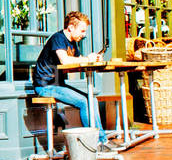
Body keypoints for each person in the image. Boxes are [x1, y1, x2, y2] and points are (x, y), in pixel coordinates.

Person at [32, 10, 112, 150]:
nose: (84, 34)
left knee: (91, 100)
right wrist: (88, 59)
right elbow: (65, 61)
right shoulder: (58, 38)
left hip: (57, 84)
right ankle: (98, 143)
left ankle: (102, 141)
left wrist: (92, 59)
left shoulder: (73, 43)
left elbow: (76, 63)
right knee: (84, 102)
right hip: (45, 86)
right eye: (82, 30)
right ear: (70, 28)